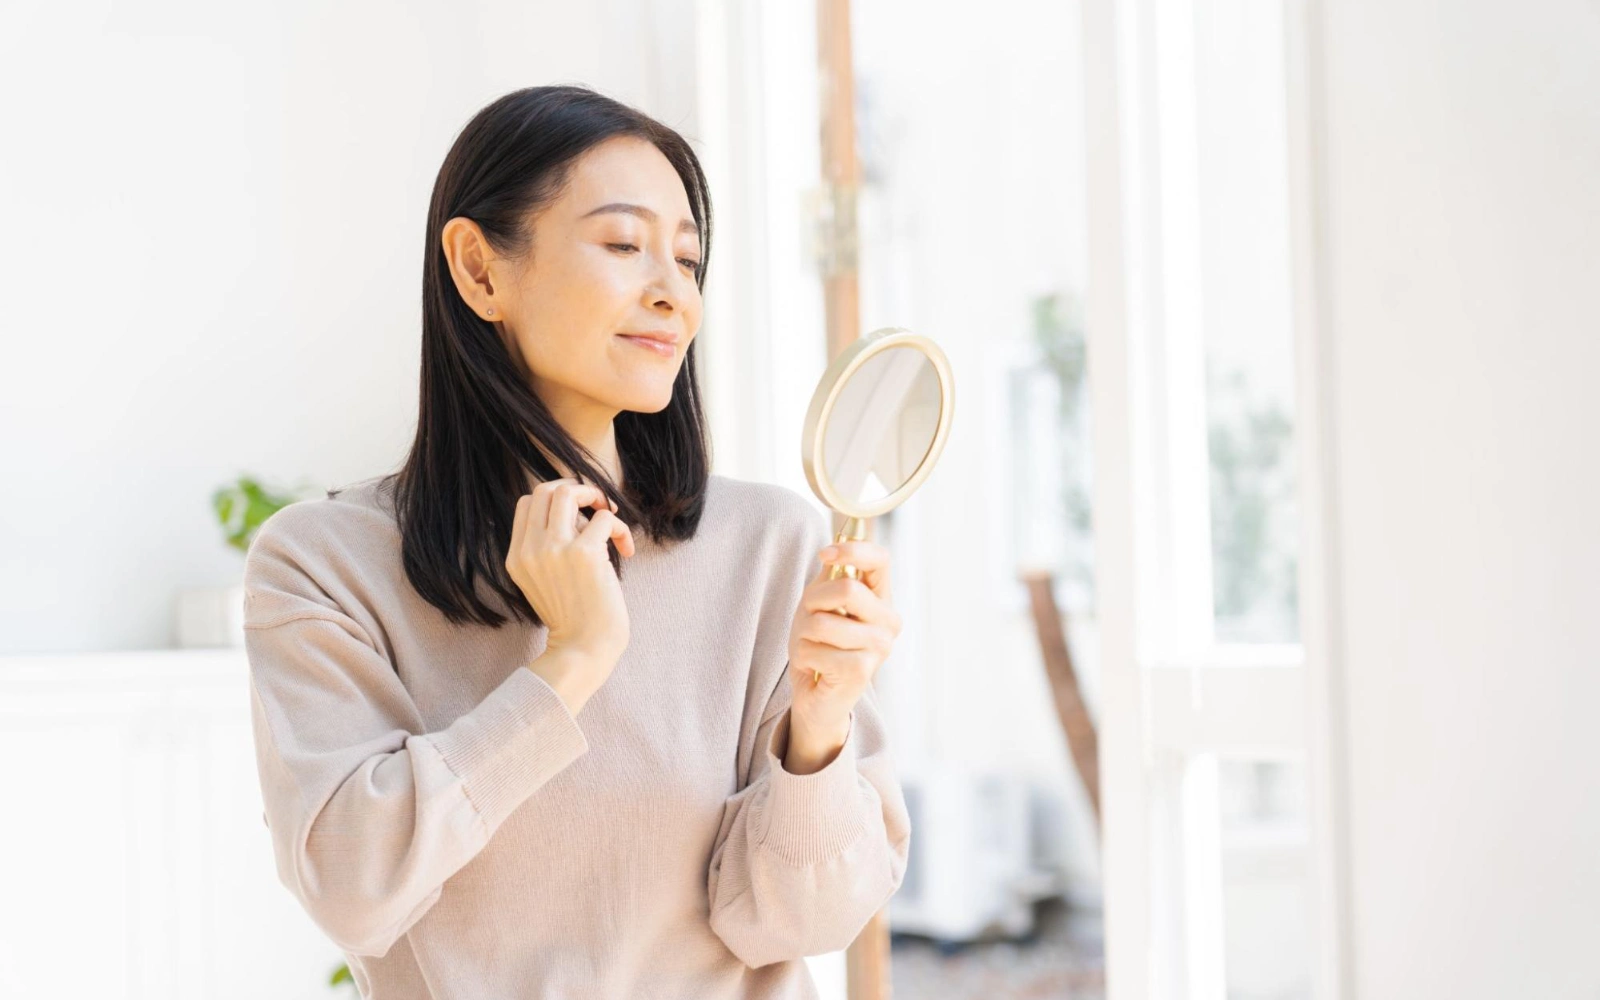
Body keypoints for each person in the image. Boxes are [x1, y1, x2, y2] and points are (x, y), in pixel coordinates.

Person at [242, 84, 911, 999]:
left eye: (688, 258)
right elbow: (354, 889)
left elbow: (797, 924)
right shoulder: (323, 565)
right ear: (480, 269)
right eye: (625, 244)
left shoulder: (769, 548)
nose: (673, 292)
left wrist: (820, 730)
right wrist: (574, 661)